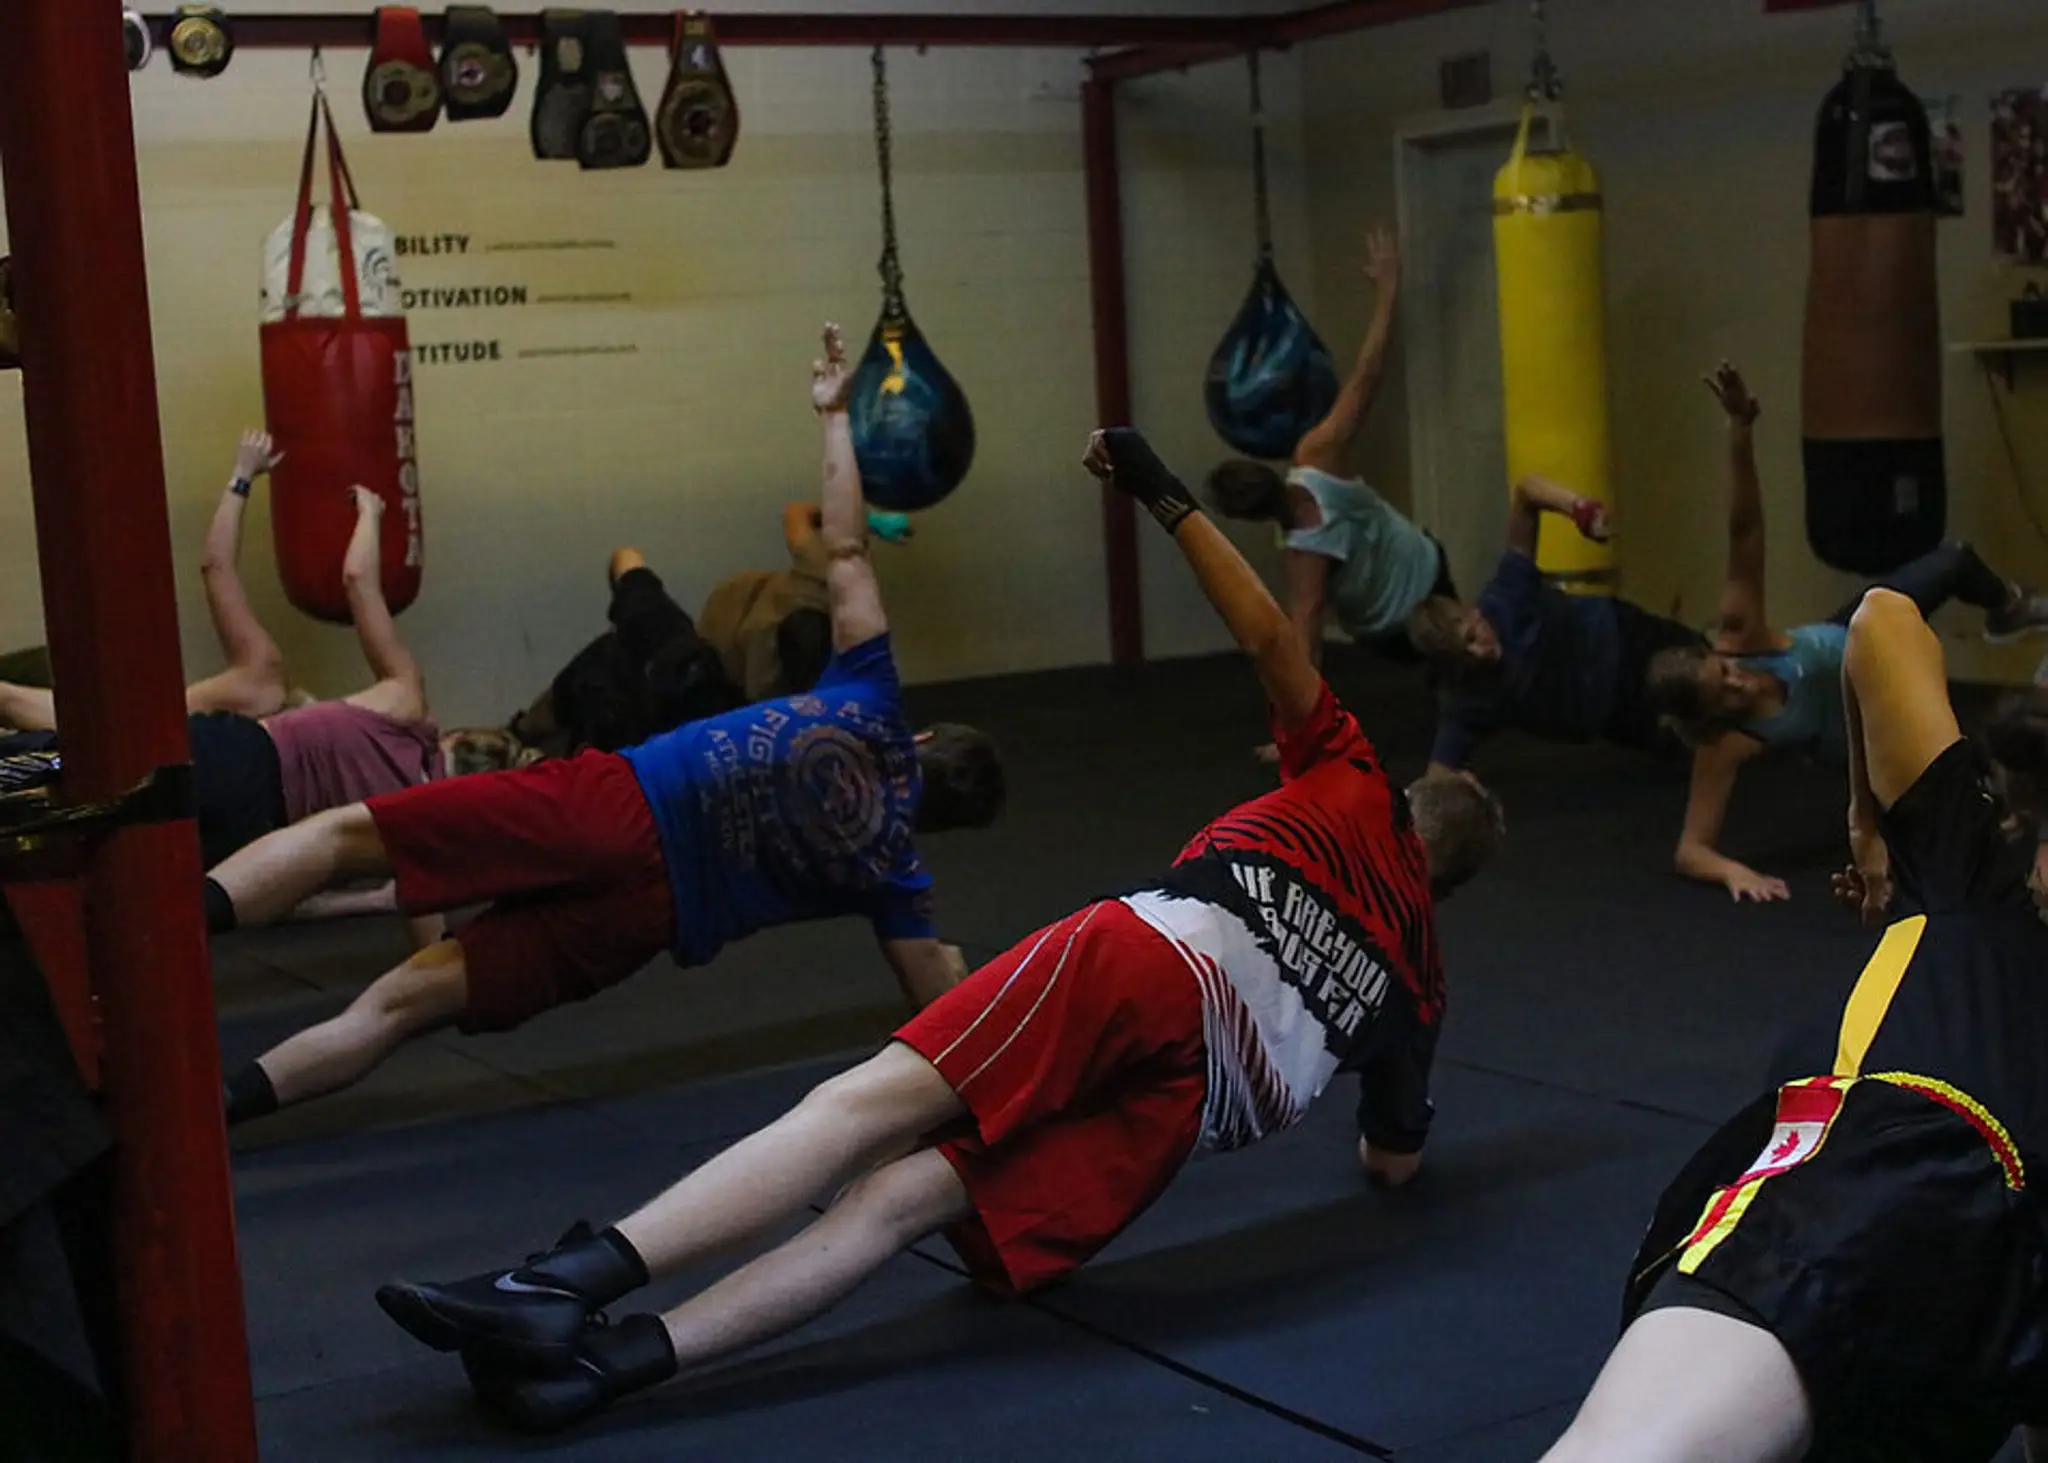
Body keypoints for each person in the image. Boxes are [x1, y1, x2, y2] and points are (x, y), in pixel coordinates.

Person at [363, 423, 1505, 1436]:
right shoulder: (1421, 984)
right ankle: (605, 1369)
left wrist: (1161, 493)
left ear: (1410, 802)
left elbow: (1268, 638)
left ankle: (557, 1286)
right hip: (1190, 1109)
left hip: (1159, 960)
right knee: (897, 1203)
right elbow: (1391, 1159)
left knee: (859, 1110)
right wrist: (1380, 1107)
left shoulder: (1354, 778)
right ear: (1444, 891)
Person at [206, 326, 1004, 1129]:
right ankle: (215, 1110)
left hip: (614, 805)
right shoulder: (895, 874)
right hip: (645, 918)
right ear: (936, 823)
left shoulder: (871, 697)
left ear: (922, 739)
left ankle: (183, 924)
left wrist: (834, 417)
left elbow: (846, 549)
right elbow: (943, 1023)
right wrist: (960, 974)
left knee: (339, 837)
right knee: (398, 1006)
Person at [1541, 588, 2048, 1463]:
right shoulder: (1972, 872)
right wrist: (1867, 819)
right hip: (1883, 1196)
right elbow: (1881, 620)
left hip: (1968, 1294)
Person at [0, 432, 504, 871]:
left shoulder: (270, 682)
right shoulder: (409, 817)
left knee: (40, 750)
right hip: (240, 829)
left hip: (159, 747)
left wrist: (358, 510)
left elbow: (231, 568)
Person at [1646, 363, 2048, 904]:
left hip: (1853, 631)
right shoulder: (1725, 746)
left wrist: (1739, 429)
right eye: (1725, 695)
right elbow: (1691, 850)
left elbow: (1745, 532)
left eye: (1726, 671)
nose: (1739, 682)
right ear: (1707, 717)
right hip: (1870, 730)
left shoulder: (1741, 636)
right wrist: (1734, 873)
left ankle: (2009, 610)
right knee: (1971, 759)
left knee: (1954, 561)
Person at [1206, 228, 1455, 670]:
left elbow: (1307, 633)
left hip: (1393, 624)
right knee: (1474, 664)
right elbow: (1367, 375)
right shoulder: (1318, 456)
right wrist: (1387, 290)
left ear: (1249, 517)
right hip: (1425, 572)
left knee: (1463, 677)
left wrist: (1298, 713)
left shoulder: (1303, 556)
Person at [510, 510, 913, 760]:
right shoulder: (828, 604)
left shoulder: (669, 638)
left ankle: (525, 741)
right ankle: (531, 743)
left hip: (668, 706)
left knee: (610, 660)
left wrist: (859, 519)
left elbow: (626, 560)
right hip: (706, 718)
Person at [1406, 468, 1702, 777]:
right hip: (1613, 712)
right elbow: (1438, 773)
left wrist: (1579, 509)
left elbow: (1527, 493)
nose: (1480, 652)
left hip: (1625, 642)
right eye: (1466, 657)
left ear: (1473, 613)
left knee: (1709, 676)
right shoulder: (1468, 697)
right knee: (1691, 755)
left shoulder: (1507, 597)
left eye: (1472, 637)